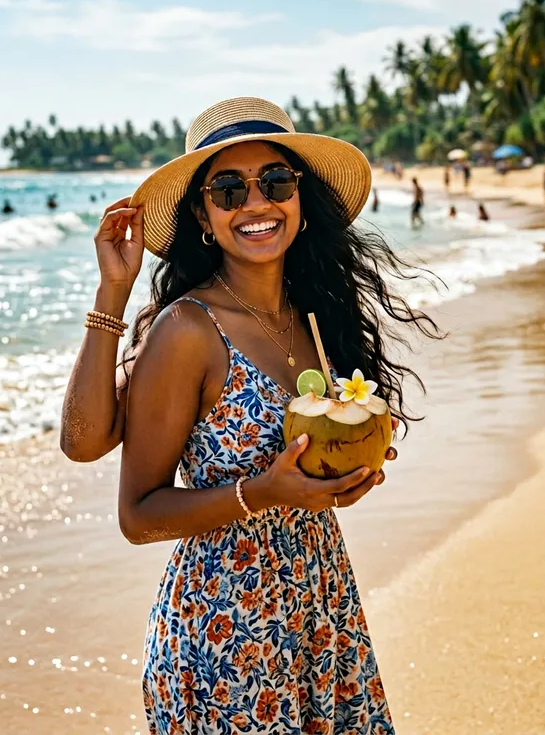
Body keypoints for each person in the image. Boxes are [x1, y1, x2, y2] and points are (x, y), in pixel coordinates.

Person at [61, 97, 441, 733]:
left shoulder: (317, 316)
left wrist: (341, 481)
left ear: (300, 200)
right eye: (228, 189)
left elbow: (313, 475)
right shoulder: (188, 328)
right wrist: (114, 293)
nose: (256, 203)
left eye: (275, 182)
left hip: (322, 611)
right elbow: (134, 510)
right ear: (204, 219)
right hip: (229, 636)